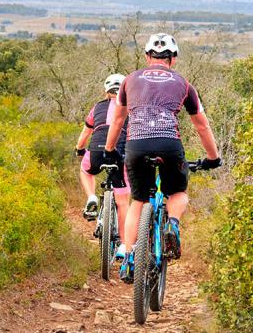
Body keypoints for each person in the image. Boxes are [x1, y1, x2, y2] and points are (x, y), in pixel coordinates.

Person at [103, 33, 222, 283]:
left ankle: (130, 257)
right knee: (177, 192)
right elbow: (202, 126)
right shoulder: (184, 84)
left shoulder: (129, 81)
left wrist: (110, 148)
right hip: (169, 144)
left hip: (136, 144)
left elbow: (117, 120)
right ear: (173, 59)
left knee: (137, 201)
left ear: (147, 56)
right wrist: (213, 158)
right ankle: (173, 224)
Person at [75, 73, 132, 259]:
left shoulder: (97, 107)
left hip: (96, 152)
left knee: (85, 170)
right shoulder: (130, 108)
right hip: (119, 154)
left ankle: (91, 197)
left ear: (106, 92)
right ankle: (124, 244)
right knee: (122, 202)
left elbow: (85, 133)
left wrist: (79, 149)